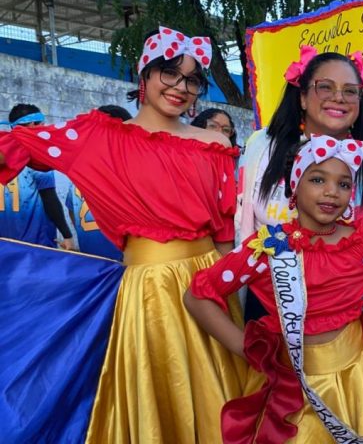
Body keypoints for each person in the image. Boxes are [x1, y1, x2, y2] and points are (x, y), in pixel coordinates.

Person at [0, 26, 248, 442]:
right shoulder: (97, 137)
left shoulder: (214, 144)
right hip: (148, 293)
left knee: (221, 399)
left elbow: (224, 233)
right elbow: (18, 144)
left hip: (209, 286)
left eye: (191, 79)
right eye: (169, 73)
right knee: (160, 401)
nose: (180, 87)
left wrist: (226, 298)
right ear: (144, 74)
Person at [185, 135, 363, 443]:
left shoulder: (362, 243)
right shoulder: (267, 248)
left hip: (358, 379)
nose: (332, 192)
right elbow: (198, 296)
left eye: (343, 184)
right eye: (317, 179)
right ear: (294, 186)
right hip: (291, 388)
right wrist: (247, 350)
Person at [236, 46, 363, 318]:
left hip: (347, 312)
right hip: (269, 308)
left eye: (350, 91)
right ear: (302, 97)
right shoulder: (261, 148)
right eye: (325, 87)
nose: (338, 98)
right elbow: (238, 226)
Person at [59, 105, 130, 260]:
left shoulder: (79, 170)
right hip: (123, 265)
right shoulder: (129, 171)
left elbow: (71, 211)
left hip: (91, 263)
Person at [0, 104, 74, 249]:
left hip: (4, 245)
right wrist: (67, 235)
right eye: (42, 125)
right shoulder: (35, 154)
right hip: (36, 244)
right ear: (34, 125)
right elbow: (50, 200)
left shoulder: (4, 152)